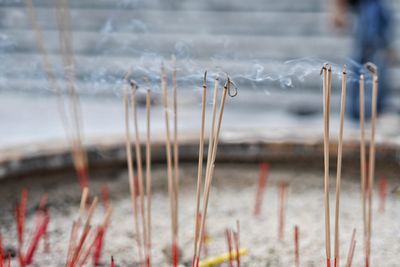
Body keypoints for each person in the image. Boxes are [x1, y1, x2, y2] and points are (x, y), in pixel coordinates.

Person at [331, 0, 394, 120]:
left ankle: (370, 110)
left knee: (373, 60)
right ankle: (357, 111)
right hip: (368, 8)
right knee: (364, 58)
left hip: (373, 8)